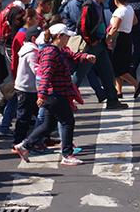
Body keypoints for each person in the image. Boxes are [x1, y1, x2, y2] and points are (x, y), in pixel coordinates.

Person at [13, 23, 96, 166]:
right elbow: (46, 76)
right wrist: (42, 95)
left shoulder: (57, 50)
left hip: (55, 94)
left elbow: (71, 54)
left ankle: (25, 146)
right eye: (66, 37)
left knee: (47, 125)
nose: (67, 39)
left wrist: (85, 57)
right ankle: (67, 155)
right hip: (55, 94)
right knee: (68, 122)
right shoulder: (51, 53)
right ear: (59, 36)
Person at [72, 0, 128, 110]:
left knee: (107, 71)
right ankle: (66, 98)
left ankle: (112, 100)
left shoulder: (99, 5)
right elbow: (82, 26)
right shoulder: (88, 5)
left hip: (100, 44)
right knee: (80, 73)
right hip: (92, 45)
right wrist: (91, 40)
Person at [106, 0, 140, 99]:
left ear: (115, 0)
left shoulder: (119, 11)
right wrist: (127, 26)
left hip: (119, 38)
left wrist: (107, 40)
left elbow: (114, 28)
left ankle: (136, 84)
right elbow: (135, 21)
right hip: (127, 37)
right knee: (121, 65)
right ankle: (119, 91)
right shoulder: (130, 8)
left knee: (117, 67)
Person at [13, 25, 42, 146]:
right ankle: (18, 142)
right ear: (34, 39)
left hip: (28, 88)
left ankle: (41, 138)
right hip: (26, 89)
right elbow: (36, 70)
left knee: (39, 115)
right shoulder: (31, 52)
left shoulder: (29, 49)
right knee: (24, 117)